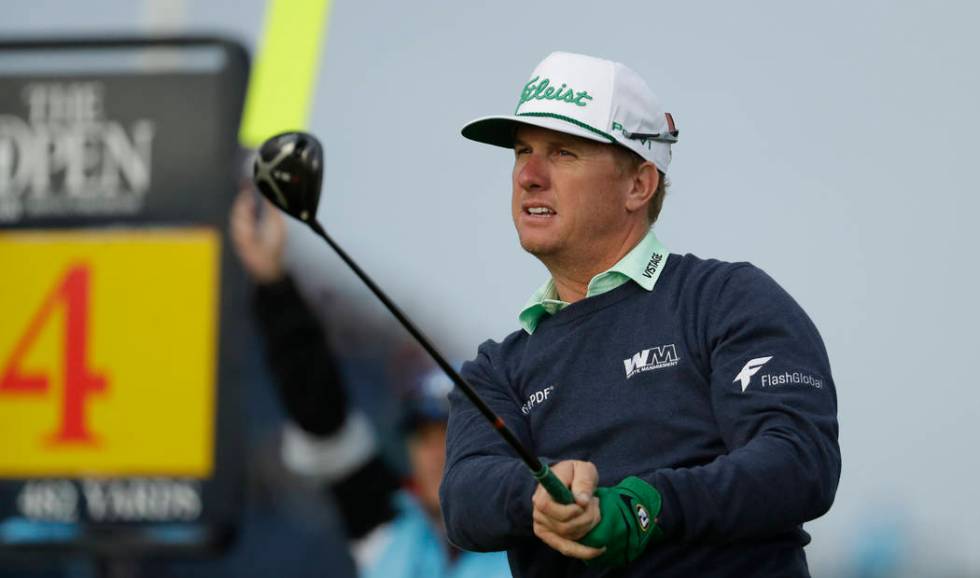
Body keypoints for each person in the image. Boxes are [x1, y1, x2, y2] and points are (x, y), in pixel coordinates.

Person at [440, 51, 841, 577]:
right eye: (522, 152)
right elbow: (466, 498)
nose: (529, 176)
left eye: (563, 153)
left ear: (639, 185)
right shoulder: (496, 370)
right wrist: (538, 495)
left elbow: (798, 460)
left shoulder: (725, 299)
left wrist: (646, 505)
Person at [229, 189, 510, 578]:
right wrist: (274, 284)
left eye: (450, 434)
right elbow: (320, 414)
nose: (435, 455)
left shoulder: (536, 542)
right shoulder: (386, 523)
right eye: (422, 437)